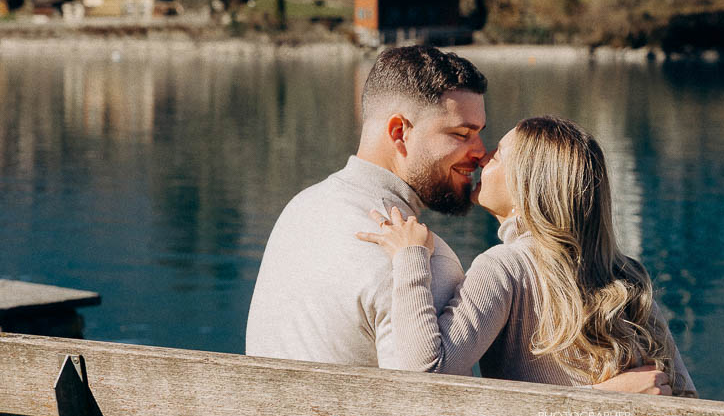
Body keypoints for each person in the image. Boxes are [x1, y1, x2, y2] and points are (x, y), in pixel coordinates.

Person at [247, 46, 666, 393]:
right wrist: (599, 402)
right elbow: (434, 403)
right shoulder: (423, 260)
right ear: (399, 133)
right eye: (462, 134)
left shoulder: (298, 212)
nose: (480, 152)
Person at [358, 115, 698, 396]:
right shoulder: (626, 274)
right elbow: (687, 398)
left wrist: (410, 256)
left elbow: (426, 375)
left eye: (499, 154)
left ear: (526, 188)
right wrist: (606, 399)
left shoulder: (504, 268)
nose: (482, 157)